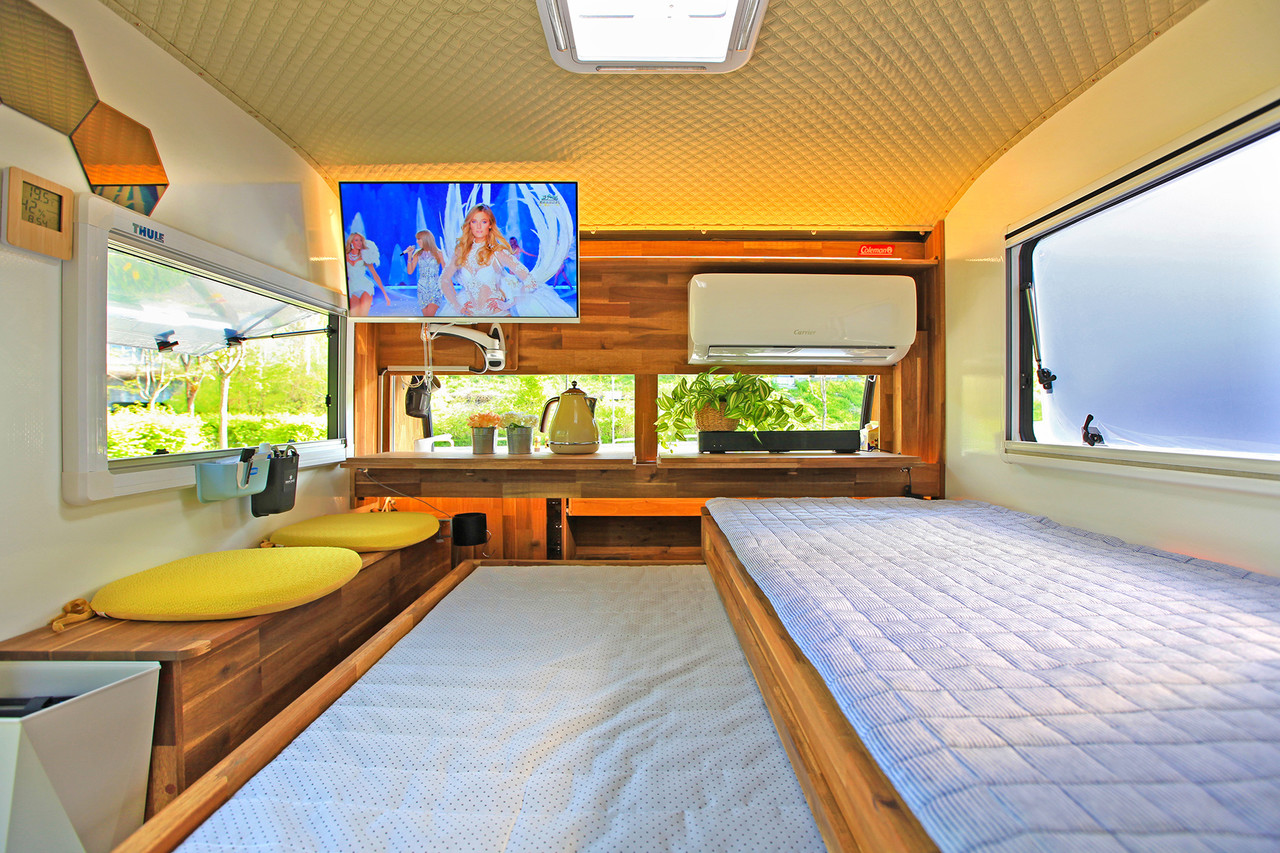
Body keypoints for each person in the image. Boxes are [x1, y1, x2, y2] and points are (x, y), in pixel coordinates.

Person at [438, 204, 527, 316]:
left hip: (497, 316)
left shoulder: (498, 252)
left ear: (490, 225)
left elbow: (529, 281)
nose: (479, 226)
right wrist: (457, 306)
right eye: (474, 221)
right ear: (469, 224)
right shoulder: (461, 251)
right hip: (470, 317)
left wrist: (506, 304)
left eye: (484, 222)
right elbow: (444, 280)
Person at [345, 231, 387, 316]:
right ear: (351, 242)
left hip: (365, 287)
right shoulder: (345, 256)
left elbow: (375, 275)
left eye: (361, 240)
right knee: (354, 316)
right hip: (352, 288)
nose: (359, 242)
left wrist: (385, 294)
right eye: (356, 240)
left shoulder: (365, 256)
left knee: (363, 316)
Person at [406, 230, 446, 317]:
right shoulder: (417, 254)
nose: (417, 241)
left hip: (435, 288)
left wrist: (444, 286)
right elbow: (410, 271)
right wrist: (409, 255)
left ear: (426, 239)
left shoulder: (439, 253)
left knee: (429, 317)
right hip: (422, 289)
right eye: (417, 239)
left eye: (419, 239)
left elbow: (446, 271)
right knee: (426, 319)